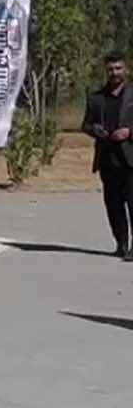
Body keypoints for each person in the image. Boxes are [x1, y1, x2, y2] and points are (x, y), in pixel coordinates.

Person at [79, 52, 133, 260]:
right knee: (113, 206)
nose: (115, 73)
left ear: (126, 69)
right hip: (107, 160)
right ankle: (121, 244)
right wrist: (96, 130)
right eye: (111, 69)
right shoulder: (96, 98)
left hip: (130, 160)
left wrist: (129, 132)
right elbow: (85, 124)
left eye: (118, 68)